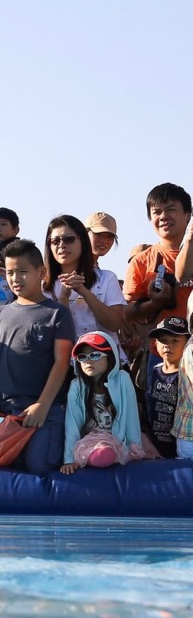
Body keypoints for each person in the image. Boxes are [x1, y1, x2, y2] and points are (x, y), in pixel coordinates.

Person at [0, 239, 76, 474]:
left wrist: (42, 405)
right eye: (10, 272)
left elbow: (62, 362)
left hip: (45, 411)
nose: (15, 278)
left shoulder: (58, 313)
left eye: (22, 272)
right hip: (5, 409)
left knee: (38, 467)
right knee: (3, 467)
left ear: (41, 272)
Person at [61, 331, 148, 474]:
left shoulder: (122, 379)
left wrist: (135, 448)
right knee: (102, 455)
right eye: (82, 357)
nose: (88, 361)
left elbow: (131, 416)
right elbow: (72, 424)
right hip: (92, 442)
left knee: (107, 455)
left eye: (95, 355)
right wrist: (69, 459)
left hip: (119, 441)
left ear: (111, 357)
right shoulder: (77, 386)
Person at [42, 215, 126, 344]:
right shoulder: (42, 284)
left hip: (106, 360)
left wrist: (84, 292)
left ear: (83, 241)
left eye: (69, 239)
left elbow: (114, 324)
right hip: (63, 361)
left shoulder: (106, 278)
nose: (62, 245)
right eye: (55, 241)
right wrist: (64, 297)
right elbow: (51, 332)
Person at [137, 184, 193, 348]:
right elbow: (129, 314)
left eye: (170, 209)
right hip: (161, 354)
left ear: (188, 215)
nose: (163, 216)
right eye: (156, 212)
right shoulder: (141, 261)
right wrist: (155, 303)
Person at [146, 317, 188, 458]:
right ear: (155, 344)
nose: (167, 345)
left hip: (180, 443)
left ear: (188, 343)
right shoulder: (154, 370)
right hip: (155, 441)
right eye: (163, 340)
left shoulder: (187, 374)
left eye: (175, 341)